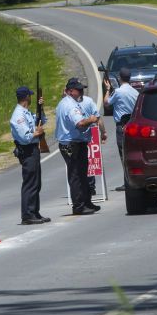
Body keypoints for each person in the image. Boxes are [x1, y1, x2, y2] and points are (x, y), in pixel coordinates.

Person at [55, 79, 100, 215]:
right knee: (76, 175)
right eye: (78, 90)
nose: (81, 92)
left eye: (82, 89)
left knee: (81, 173)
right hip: (72, 143)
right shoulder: (70, 105)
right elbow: (80, 123)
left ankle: (86, 202)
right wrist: (91, 120)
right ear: (69, 91)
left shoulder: (67, 103)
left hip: (74, 142)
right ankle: (79, 206)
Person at [10, 86, 50, 225]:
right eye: (30, 96)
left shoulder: (26, 112)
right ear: (26, 97)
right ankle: (27, 214)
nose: (31, 98)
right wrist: (37, 133)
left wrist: (41, 108)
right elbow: (25, 136)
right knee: (30, 183)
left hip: (33, 149)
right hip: (27, 150)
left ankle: (34, 211)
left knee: (36, 182)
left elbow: (41, 120)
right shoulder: (19, 115)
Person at [67, 77, 106, 196]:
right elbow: (97, 118)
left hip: (87, 134)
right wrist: (103, 133)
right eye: (79, 89)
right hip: (79, 136)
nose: (82, 92)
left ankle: (89, 187)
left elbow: (97, 118)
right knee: (85, 162)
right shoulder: (77, 103)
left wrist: (103, 132)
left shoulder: (73, 102)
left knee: (90, 162)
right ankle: (87, 187)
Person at [104, 67, 139, 191]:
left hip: (121, 126)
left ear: (120, 78)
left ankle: (127, 182)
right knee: (132, 153)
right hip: (132, 125)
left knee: (123, 154)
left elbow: (106, 103)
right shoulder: (135, 92)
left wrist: (108, 90)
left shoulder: (118, 92)